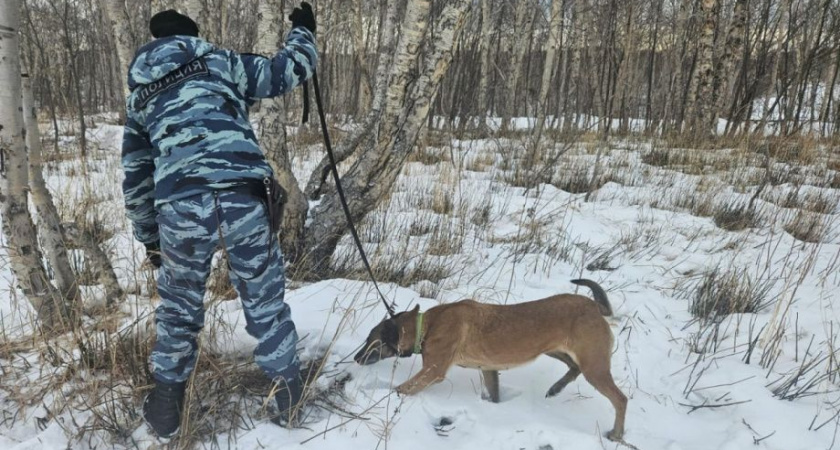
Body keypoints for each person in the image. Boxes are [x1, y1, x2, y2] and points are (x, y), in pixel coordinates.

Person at [120, 4, 317, 439]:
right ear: (193, 36)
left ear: (154, 43)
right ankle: (287, 391)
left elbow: (136, 177)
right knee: (263, 297)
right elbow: (287, 71)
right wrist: (303, 30)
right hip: (241, 197)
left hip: (179, 207)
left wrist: (151, 238)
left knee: (179, 308)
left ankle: (167, 407)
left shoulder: (140, 96)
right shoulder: (219, 61)